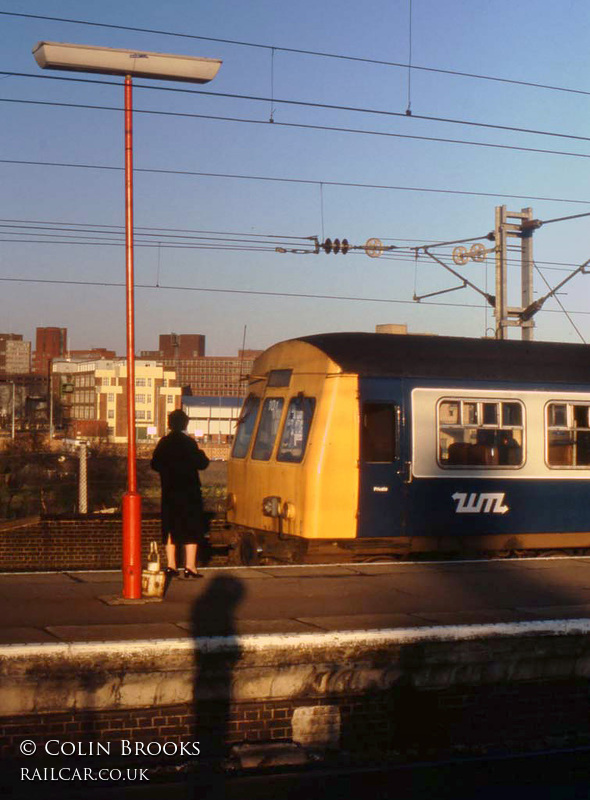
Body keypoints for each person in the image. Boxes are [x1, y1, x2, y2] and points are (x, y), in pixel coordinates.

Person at [151, 409, 210, 578]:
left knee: (170, 527)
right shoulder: (189, 443)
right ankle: (190, 567)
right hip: (189, 491)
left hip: (170, 491)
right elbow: (202, 463)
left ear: (170, 424)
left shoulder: (164, 443)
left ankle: (171, 565)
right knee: (191, 528)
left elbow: (155, 464)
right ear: (185, 423)